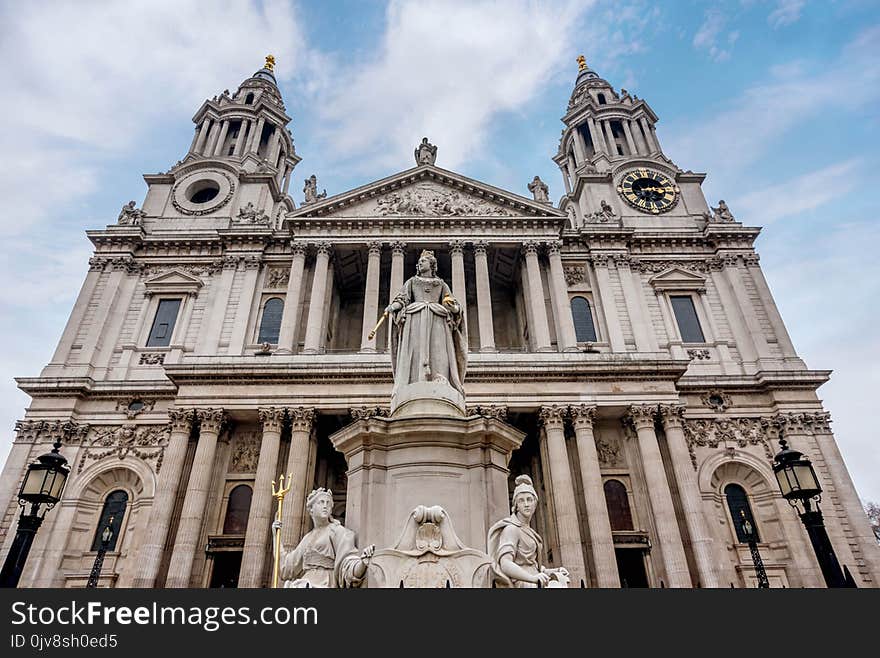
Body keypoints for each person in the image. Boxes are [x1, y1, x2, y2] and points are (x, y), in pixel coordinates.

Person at [385, 250, 466, 399]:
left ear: (431, 264)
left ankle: (440, 376)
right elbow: (402, 298)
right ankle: (414, 378)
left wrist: (453, 308)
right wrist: (393, 306)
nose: (419, 263)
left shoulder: (441, 284)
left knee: (439, 349)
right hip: (415, 317)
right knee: (415, 348)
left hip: (438, 318)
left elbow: (452, 302)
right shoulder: (411, 282)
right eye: (419, 262)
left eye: (423, 261)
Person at [273, 488, 374, 588]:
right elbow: (287, 568)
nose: (325, 506)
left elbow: (347, 563)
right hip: (306, 581)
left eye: (328, 503)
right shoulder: (307, 538)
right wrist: (276, 536)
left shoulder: (337, 531)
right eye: (321, 502)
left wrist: (362, 564)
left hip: (324, 583)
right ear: (311, 509)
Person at [487, 474, 570, 588]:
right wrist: (533, 578)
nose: (526, 504)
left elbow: (532, 566)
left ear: (535, 504)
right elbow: (505, 563)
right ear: (516, 505)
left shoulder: (528, 530)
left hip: (534, 579)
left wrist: (554, 571)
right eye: (521, 500)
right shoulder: (511, 529)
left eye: (529, 500)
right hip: (523, 582)